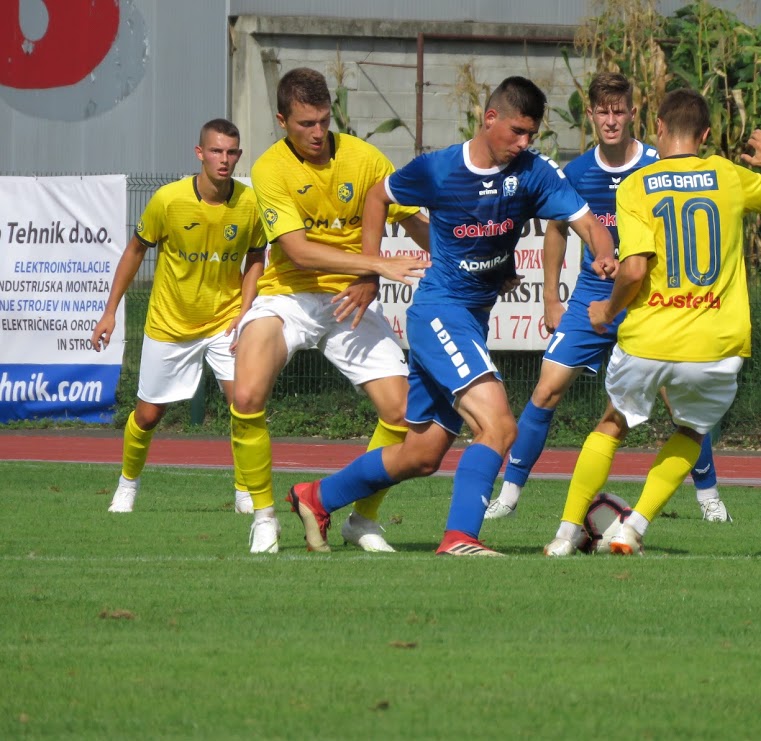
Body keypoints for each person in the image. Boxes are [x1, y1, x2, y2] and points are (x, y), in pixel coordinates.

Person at [285, 75, 616, 556]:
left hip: (470, 320)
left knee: (421, 454)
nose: (524, 143)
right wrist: (370, 271)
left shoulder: (533, 172)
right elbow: (377, 197)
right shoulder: (439, 169)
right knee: (499, 426)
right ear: (490, 118)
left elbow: (587, 222)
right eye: (517, 132)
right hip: (439, 313)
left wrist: (603, 253)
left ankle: (316, 496)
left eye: (531, 134)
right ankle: (460, 537)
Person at [544, 88, 761, 557]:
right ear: (705, 135)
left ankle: (566, 534)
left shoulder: (637, 184)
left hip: (649, 337)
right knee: (691, 432)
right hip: (715, 342)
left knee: (612, 424)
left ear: (659, 128)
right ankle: (632, 528)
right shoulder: (728, 175)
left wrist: (607, 311)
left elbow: (633, 269)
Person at [483, 72, 730, 525]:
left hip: (649, 299)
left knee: (680, 403)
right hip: (592, 297)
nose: (611, 120)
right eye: (602, 112)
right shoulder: (576, 172)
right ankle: (510, 492)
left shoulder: (660, 163)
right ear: (591, 115)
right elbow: (557, 230)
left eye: (619, 111)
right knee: (546, 389)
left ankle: (709, 497)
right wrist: (551, 298)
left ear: (633, 114)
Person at [233, 67, 430, 554]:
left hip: (349, 299)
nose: (318, 132)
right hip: (288, 296)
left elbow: (414, 222)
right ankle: (264, 517)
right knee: (247, 393)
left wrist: (471, 262)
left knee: (404, 414)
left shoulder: (364, 158)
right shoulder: (270, 168)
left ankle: (362, 520)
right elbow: (298, 252)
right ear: (282, 121)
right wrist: (375, 266)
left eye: (324, 120)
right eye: (306, 124)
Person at [92, 119, 267, 514]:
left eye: (231, 152)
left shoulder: (250, 203)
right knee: (148, 415)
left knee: (244, 404)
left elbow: (256, 257)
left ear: (239, 155)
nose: (224, 159)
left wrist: (245, 311)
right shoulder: (168, 200)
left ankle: (245, 491)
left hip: (225, 321)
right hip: (170, 323)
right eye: (216, 151)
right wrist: (110, 311)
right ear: (200, 153)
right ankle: (127, 484)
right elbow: (135, 251)